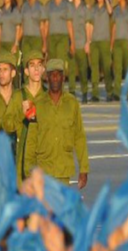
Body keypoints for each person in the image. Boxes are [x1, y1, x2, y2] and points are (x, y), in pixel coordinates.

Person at [34, 58, 89, 188]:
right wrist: (29, 170)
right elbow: (31, 139)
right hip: (43, 170)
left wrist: (84, 169)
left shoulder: (72, 103)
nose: (55, 78)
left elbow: (79, 137)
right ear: (47, 78)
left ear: (63, 77)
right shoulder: (38, 103)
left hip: (64, 170)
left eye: (58, 74)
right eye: (52, 74)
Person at [3, 50, 48, 182]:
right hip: (22, 155)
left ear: (43, 69)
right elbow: (6, 125)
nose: (36, 69)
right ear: (26, 71)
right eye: (32, 65)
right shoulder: (18, 96)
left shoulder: (48, 96)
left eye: (39, 65)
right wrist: (20, 114)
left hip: (44, 155)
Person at [87, 0, 114, 100]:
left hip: (104, 40)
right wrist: (89, 40)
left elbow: (110, 11)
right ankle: (95, 93)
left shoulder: (106, 6)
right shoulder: (93, 9)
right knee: (95, 68)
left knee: (106, 67)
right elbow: (89, 25)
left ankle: (109, 92)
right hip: (95, 41)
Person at [111, 0, 128, 99]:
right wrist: (111, 43)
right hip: (117, 42)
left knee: (127, 68)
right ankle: (116, 92)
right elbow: (114, 28)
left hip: (126, 41)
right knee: (117, 69)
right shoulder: (115, 10)